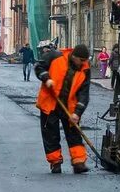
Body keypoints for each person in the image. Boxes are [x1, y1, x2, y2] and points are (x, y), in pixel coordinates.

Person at [34, 43, 91, 174]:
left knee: (74, 134)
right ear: (74, 56)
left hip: (69, 106)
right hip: (50, 103)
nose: (83, 63)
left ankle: (79, 163)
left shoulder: (85, 69)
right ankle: (55, 163)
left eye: (85, 60)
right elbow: (38, 66)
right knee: (51, 134)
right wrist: (46, 78)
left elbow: (84, 93)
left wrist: (77, 113)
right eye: (81, 60)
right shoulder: (55, 56)